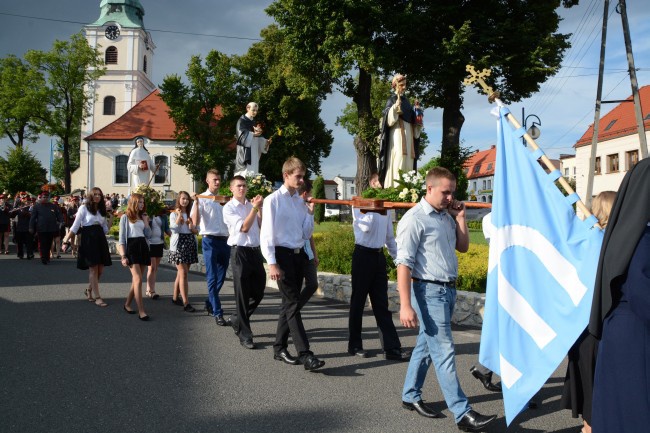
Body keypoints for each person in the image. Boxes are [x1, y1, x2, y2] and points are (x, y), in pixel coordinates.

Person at [396, 167, 496, 431]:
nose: (450, 197)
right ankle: (462, 413)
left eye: (452, 192)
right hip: (428, 292)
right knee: (444, 351)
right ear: (429, 189)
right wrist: (405, 305)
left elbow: (462, 246)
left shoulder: (445, 216)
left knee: (426, 346)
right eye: (445, 192)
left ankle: (409, 394)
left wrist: (460, 218)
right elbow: (403, 264)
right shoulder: (414, 219)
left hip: (447, 290)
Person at [588, 158, 650, 433]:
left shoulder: (626, 233)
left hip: (623, 333)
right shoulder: (643, 239)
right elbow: (642, 292)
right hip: (637, 337)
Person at [260, 157, 325, 371]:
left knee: (289, 304)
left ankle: (279, 347)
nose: (302, 180)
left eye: (303, 175)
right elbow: (267, 234)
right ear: (286, 175)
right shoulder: (272, 200)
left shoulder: (299, 201)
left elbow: (306, 233)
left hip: (298, 256)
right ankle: (306, 354)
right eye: (298, 176)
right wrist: (272, 262)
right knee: (293, 304)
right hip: (282, 256)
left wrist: (309, 212)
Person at [560, 191, 615, 433]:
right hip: (594, 324)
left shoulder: (587, 239)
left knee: (589, 385)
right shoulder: (602, 242)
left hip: (581, 326)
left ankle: (588, 426)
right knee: (595, 387)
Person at [348, 173, 411, 361]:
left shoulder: (386, 208)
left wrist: (399, 261)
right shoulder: (358, 205)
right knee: (358, 303)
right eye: (376, 182)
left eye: (381, 182)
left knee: (382, 304)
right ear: (370, 183)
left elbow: (389, 238)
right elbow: (365, 228)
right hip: (362, 255)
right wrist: (372, 208)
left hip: (378, 257)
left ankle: (391, 348)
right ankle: (355, 345)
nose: (380, 185)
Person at [223, 176, 266, 349]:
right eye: (238, 186)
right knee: (242, 294)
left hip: (255, 252)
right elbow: (244, 228)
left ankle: (236, 318)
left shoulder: (250, 205)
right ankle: (245, 335)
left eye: (244, 186)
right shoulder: (228, 208)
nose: (242, 188)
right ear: (231, 189)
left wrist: (259, 208)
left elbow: (261, 225)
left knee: (259, 292)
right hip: (239, 252)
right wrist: (255, 208)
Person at [467, 212, 503, 393]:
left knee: (505, 331)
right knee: (508, 330)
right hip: (504, 278)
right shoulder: (490, 218)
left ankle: (485, 370)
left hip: (511, 280)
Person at [191, 169, 231, 326]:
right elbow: (195, 221)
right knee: (212, 277)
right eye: (214, 179)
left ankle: (210, 300)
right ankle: (217, 312)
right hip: (210, 240)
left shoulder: (224, 199)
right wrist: (196, 202)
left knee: (221, 276)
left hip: (225, 241)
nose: (218, 182)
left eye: (219, 179)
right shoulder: (202, 198)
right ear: (207, 181)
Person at [63, 187, 112, 307]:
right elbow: (75, 227)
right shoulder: (83, 208)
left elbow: (105, 229)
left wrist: (111, 218)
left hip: (100, 238)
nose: (97, 196)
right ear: (90, 195)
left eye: (99, 195)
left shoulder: (101, 210)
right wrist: (66, 241)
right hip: (88, 238)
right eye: (95, 194)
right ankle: (98, 297)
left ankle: (89, 290)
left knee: (100, 270)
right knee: (93, 268)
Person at [378, 74, 422, 188]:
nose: (404, 87)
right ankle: (395, 187)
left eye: (405, 85)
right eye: (401, 85)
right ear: (395, 86)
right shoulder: (392, 99)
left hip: (409, 135)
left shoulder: (406, 102)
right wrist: (395, 108)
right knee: (399, 157)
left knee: (409, 160)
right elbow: (387, 121)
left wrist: (417, 114)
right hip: (397, 132)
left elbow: (413, 121)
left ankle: (407, 188)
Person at [117, 193, 152, 321]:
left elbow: (148, 235)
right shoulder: (125, 218)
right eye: (140, 202)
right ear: (133, 202)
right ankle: (141, 310)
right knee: (137, 279)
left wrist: (146, 222)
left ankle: (127, 304)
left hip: (142, 246)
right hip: (131, 248)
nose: (142, 205)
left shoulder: (142, 216)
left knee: (137, 279)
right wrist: (123, 256)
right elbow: (121, 239)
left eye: (143, 202)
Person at [169, 191, 199, 312]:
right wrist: (178, 218)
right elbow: (174, 229)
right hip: (179, 244)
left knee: (181, 274)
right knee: (184, 273)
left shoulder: (191, 213)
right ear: (179, 199)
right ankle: (186, 303)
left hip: (189, 242)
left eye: (187, 199)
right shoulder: (174, 214)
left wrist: (191, 227)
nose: (185, 201)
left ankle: (175, 297)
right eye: (183, 198)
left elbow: (197, 231)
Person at [234, 102, 271, 175]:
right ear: (247, 109)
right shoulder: (242, 121)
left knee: (253, 172)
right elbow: (241, 135)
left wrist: (265, 142)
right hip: (245, 152)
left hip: (254, 151)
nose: (255, 112)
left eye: (256, 110)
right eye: (253, 110)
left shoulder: (253, 122)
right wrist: (253, 134)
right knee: (244, 173)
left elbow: (258, 137)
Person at [29, 192, 63, 265]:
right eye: (44, 197)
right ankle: (43, 257)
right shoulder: (37, 206)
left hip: (51, 228)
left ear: (49, 198)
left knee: (49, 243)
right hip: (41, 228)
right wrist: (31, 227)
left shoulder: (53, 206)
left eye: (47, 197)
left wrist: (61, 221)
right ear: (41, 198)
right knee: (42, 243)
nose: (45, 198)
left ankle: (47, 257)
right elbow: (33, 218)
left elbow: (58, 215)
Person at [146, 206, 171, 300]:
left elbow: (167, 229)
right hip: (150, 243)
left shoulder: (163, 216)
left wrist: (174, 236)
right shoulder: (148, 214)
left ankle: (150, 288)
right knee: (151, 267)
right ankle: (151, 291)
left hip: (159, 243)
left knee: (155, 268)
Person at [10, 195, 34, 259]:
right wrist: (13, 211)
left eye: (28, 201)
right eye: (26, 201)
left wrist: (22, 211)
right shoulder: (20, 208)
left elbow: (30, 215)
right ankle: (20, 254)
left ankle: (30, 254)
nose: (27, 203)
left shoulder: (31, 208)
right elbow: (12, 216)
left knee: (29, 242)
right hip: (19, 227)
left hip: (28, 227)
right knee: (19, 242)